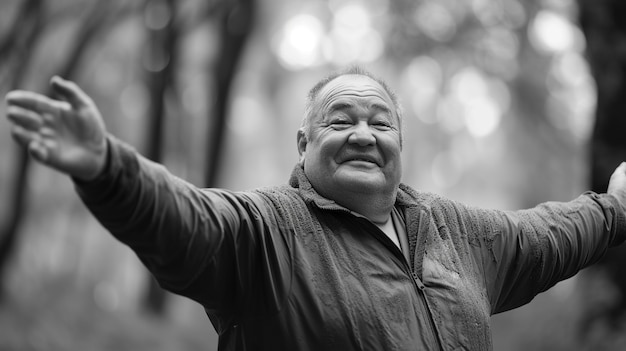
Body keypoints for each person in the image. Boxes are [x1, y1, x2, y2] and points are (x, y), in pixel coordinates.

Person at [5, 66, 626, 351]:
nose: (364, 134)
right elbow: (183, 217)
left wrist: (617, 207)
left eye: (380, 122)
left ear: (399, 145)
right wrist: (110, 169)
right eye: (341, 120)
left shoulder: (456, 232)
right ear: (303, 145)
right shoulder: (266, 231)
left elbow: (546, 235)